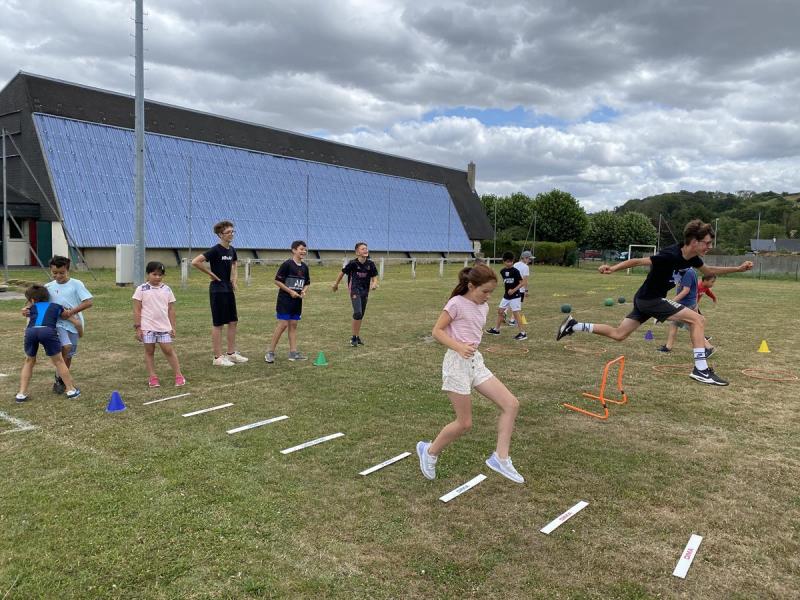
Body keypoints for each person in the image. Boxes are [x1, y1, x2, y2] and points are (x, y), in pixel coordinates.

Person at [556, 219, 753, 386]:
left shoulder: (693, 258)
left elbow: (709, 271)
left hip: (644, 299)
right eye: (707, 243)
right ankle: (701, 369)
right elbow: (637, 261)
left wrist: (738, 269)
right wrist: (613, 268)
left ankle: (574, 325)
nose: (709, 247)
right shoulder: (670, 255)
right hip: (650, 300)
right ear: (694, 241)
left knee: (619, 334)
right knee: (697, 320)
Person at [416, 264, 524, 484]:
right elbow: (437, 331)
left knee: (511, 404)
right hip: (456, 364)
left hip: (475, 362)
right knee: (464, 423)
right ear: (471, 286)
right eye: (484, 291)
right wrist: (458, 347)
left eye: (491, 292)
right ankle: (429, 451)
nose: (488, 296)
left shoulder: (483, 307)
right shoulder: (456, 303)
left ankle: (500, 458)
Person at [191, 220, 248, 366]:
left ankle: (231, 354)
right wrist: (211, 274)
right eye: (228, 232)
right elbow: (195, 261)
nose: (231, 234)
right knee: (218, 323)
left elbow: (234, 264)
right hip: (217, 290)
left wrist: (234, 280)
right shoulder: (215, 250)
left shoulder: (232, 250)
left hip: (228, 289)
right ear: (220, 234)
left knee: (233, 321)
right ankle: (217, 357)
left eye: (232, 231)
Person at [16, 284, 81, 402]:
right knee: (59, 361)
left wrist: (26, 309)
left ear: (32, 300)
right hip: (47, 331)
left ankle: (21, 393)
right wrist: (77, 324)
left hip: (31, 331)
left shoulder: (31, 308)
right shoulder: (56, 306)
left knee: (29, 361)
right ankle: (71, 390)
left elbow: (25, 311)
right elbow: (66, 316)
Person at [133, 261, 186, 388]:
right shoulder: (141, 289)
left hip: (163, 327)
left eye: (160, 275)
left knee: (168, 350)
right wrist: (138, 328)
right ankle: (153, 377)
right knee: (149, 351)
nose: (157, 277)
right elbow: (137, 310)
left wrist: (173, 327)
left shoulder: (167, 289)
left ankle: (179, 375)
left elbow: (171, 309)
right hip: (147, 327)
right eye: (154, 274)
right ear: (148, 274)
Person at [45, 255, 93, 394]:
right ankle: (61, 379)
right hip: (57, 324)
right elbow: (38, 302)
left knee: (69, 354)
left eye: (62, 273)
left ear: (67, 270)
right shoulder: (48, 287)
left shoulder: (76, 284)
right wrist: (27, 309)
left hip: (74, 324)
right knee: (65, 347)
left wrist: (70, 312)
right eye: (55, 273)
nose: (58, 276)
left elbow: (88, 302)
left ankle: (60, 379)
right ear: (50, 270)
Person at [265, 240, 311, 363]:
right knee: (283, 325)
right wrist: (290, 291)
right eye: (301, 249)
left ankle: (293, 353)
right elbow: (277, 281)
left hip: (297, 302)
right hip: (285, 300)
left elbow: (307, 283)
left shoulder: (305, 267)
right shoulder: (287, 265)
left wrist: (304, 291)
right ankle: (270, 352)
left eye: (305, 249)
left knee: (293, 325)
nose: (304, 251)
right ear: (294, 250)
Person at [657, 267, 714, 356]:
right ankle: (668, 347)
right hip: (686, 304)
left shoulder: (688, 273)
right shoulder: (687, 271)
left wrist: (671, 302)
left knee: (692, 327)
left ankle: (708, 347)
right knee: (674, 325)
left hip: (686, 305)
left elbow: (685, 291)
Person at [332, 242, 379, 346]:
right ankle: (353, 338)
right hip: (354, 290)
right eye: (363, 249)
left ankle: (357, 337)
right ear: (357, 252)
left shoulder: (370, 264)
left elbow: (374, 276)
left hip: (365, 291)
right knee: (357, 313)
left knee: (360, 315)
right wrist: (336, 284)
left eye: (366, 248)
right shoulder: (353, 263)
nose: (365, 250)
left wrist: (374, 283)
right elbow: (342, 272)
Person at [486, 252, 527, 340]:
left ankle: (523, 333)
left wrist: (513, 290)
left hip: (515, 296)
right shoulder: (502, 271)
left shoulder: (515, 271)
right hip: (506, 296)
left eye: (511, 261)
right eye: (507, 262)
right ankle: (496, 330)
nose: (509, 263)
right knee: (500, 311)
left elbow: (522, 283)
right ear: (504, 262)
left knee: (516, 314)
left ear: (513, 261)